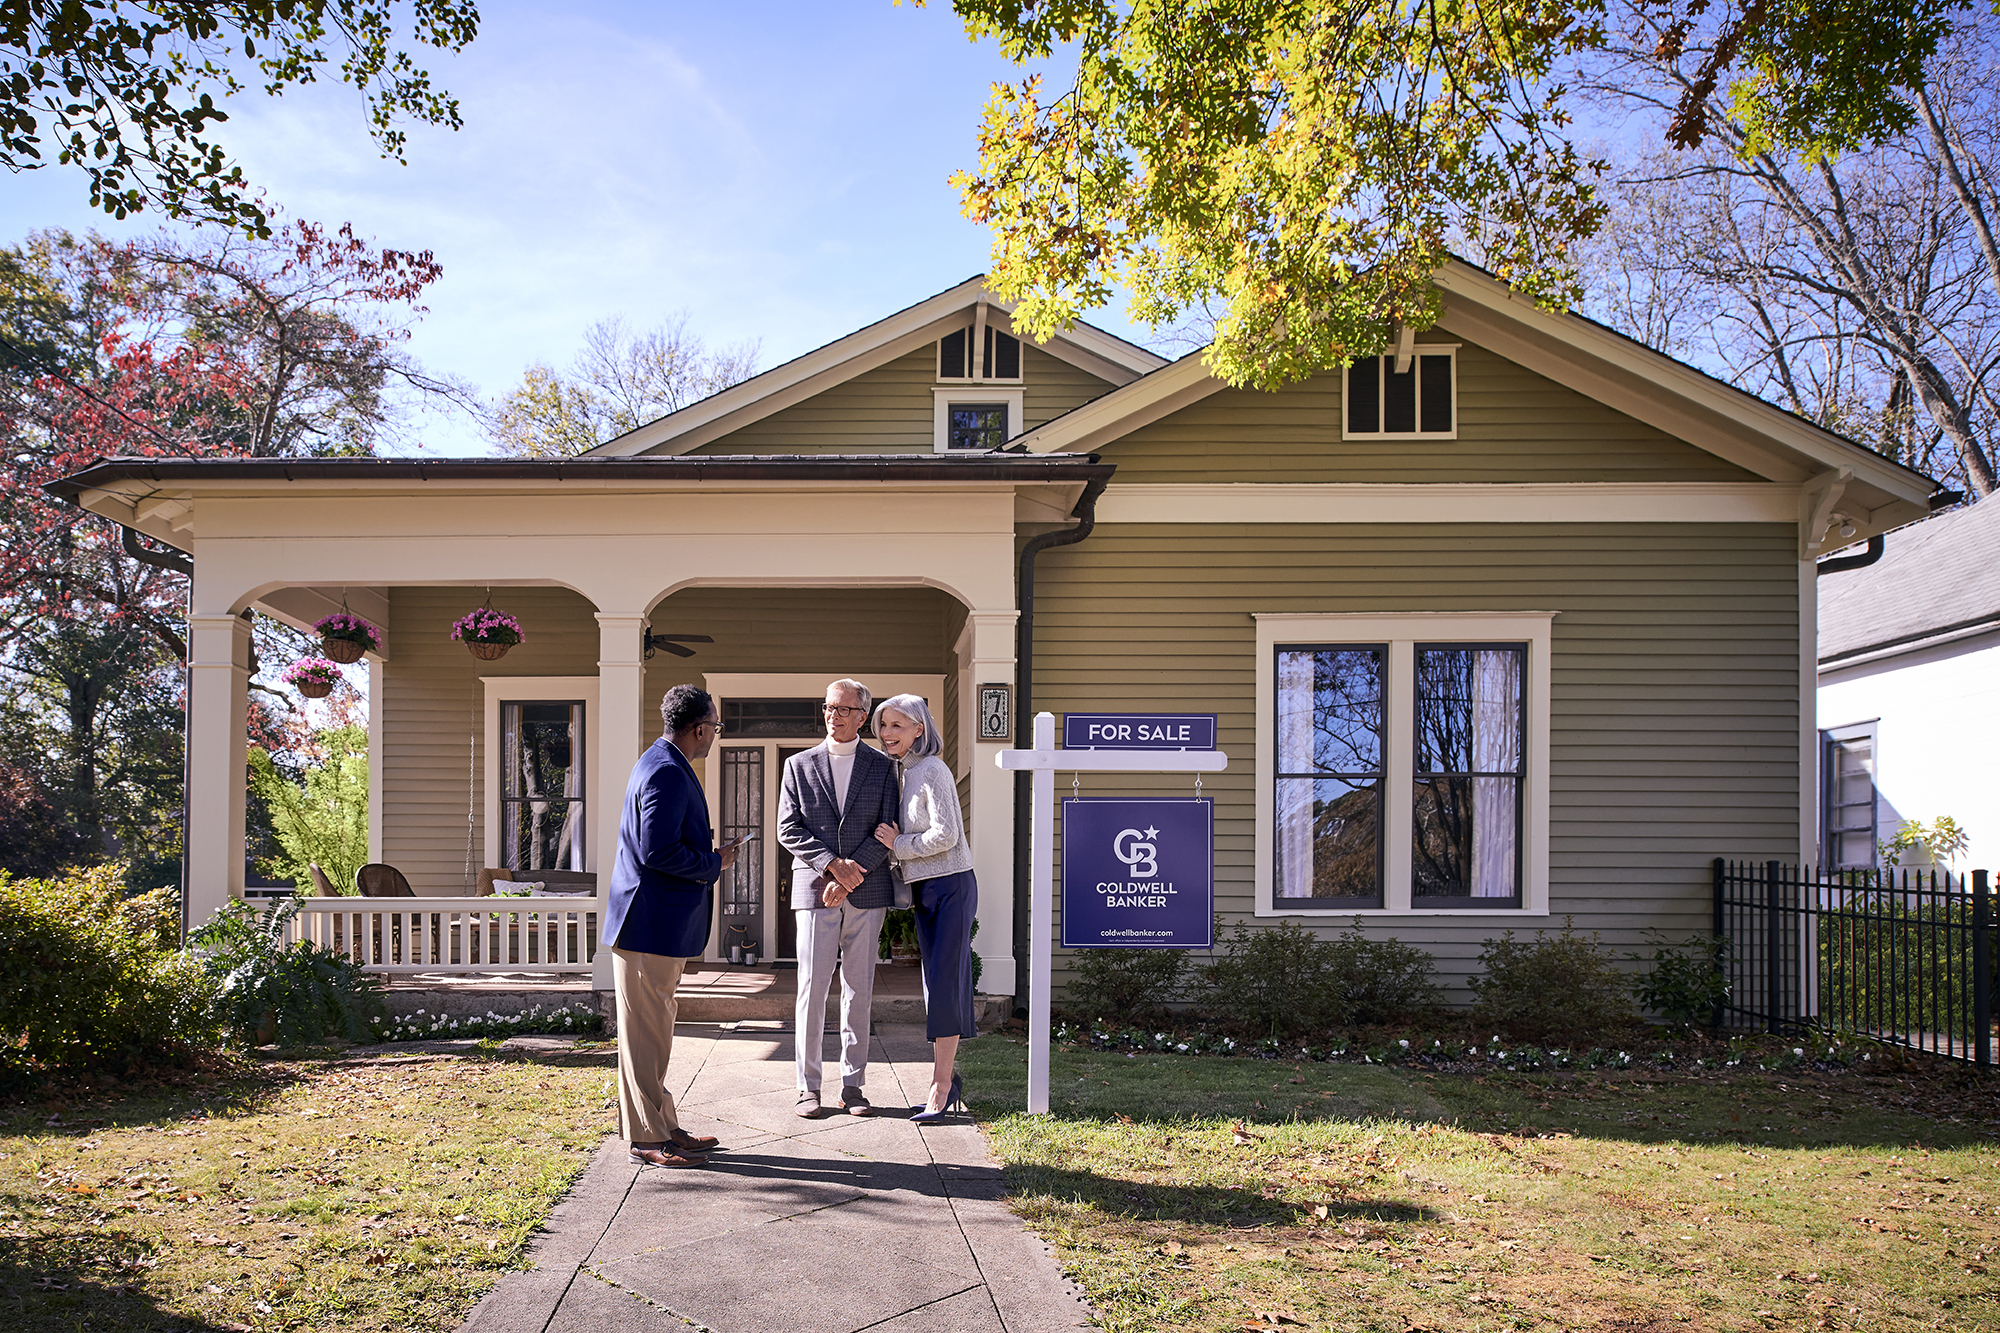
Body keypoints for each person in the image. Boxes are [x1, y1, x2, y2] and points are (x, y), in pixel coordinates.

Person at [604, 684, 739, 1168]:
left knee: (654, 1031)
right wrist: (713, 861)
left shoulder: (663, 762)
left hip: (653, 925)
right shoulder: (665, 771)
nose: (714, 736)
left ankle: (663, 1127)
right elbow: (656, 851)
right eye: (716, 728)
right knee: (645, 1033)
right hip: (648, 925)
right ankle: (646, 1138)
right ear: (699, 728)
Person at [777, 678, 902, 1118]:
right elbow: (788, 829)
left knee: (859, 990)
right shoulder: (798, 765)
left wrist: (850, 876)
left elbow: (888, 829)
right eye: (829, 707)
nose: (834, 715)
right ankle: (807, 1087)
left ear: (863, 717)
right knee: (812, 988)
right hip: (814, 890)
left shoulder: (884, 767)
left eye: (845, 709)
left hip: (867, 893)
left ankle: (853, 1086)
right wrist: (832, 865)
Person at [871, 693, 976, 1120]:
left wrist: (898, 845)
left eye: (897, 725)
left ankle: (942, 1084)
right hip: (926, 889)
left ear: (919, 729)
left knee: (944, 983)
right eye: (883, 725)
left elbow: (946, 835)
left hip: (949, 885)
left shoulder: (932, 769)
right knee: (936, 985)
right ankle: (945, 1079)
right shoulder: (902, 773)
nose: (887, 733)